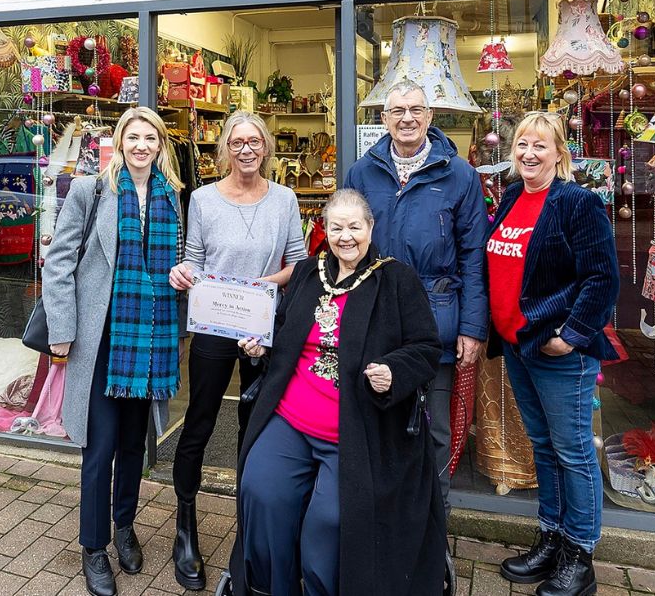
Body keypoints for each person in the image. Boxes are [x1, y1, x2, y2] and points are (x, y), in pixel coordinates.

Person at [228, 188, 445, 596]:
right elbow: (283, 328)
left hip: (356, 429)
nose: (346, 237)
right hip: (291, 418)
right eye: (336, 227)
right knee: (260, 489)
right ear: (324, 230)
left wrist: (393, 371)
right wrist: (262, 346)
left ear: (370, 227)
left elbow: (426, 348)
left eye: (354, 227)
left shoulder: (397, 280)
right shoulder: (308, 273)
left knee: (330, 522)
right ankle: (271, 588)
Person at [42, 106, 185, 596]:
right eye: (134, 137)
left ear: (161, 145)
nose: (142, 146)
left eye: (151, 138)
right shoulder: (91, 190)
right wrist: (62, 329)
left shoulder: (171, 195)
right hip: (102, 337)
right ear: (121, 141)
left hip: (148, 338)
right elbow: (59, 261)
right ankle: (94, 546)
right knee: (99, 446)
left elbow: (177, 261)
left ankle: (124, 526)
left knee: (132, 445)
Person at [168, 110, 307, 591]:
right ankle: (185, 524)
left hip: (261, 325)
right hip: (214, 323)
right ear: (224, 148)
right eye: (237, 142)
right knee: (200, 422)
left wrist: (260, 287)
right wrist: (183, 273)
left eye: (254, 142)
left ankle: (249, 528)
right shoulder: (203, 199)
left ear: (265, 147)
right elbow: (194, 259)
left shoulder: (284, 198)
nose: (246, 149)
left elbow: (298, 263)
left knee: (257, 426)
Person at [484, 112, 619, 596]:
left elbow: (602, 278)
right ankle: (552, 539)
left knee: (573, 451)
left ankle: (580, 558)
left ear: (560, 153)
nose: (529, 153)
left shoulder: (577, 203)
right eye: (522, 144)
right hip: (519, 347)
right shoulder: (512, 197)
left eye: (540, 145)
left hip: (558, 351)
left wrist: (572, 334)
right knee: (543, 446)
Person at [345, 80, 488, 515]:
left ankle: (433, 520)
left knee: (435, 429)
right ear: (383, 119)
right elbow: (344, 243)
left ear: (429, 117)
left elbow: (474, 256)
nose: (406, 118)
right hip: (374, 316)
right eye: (397, 110)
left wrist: (472, 328)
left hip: (436, 320)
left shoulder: (459, 175)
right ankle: (384, 521)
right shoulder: (361, 173)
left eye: (415, 110)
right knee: (377, 421)